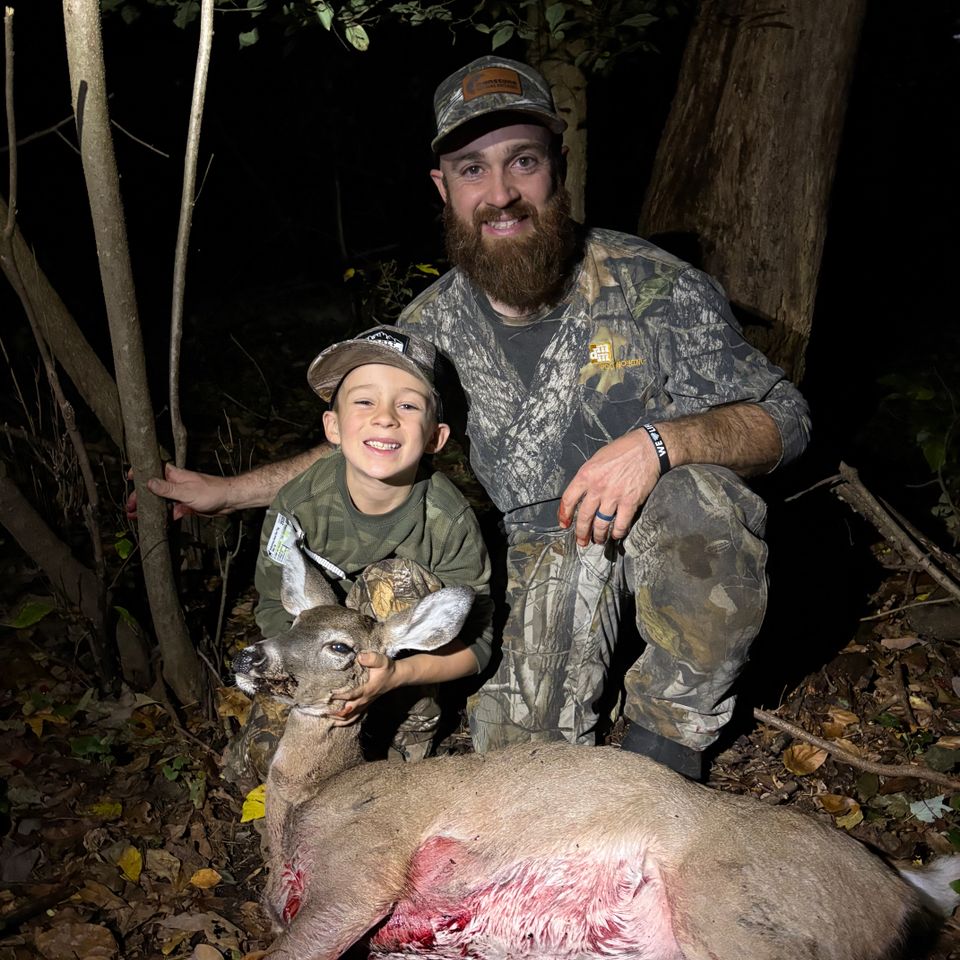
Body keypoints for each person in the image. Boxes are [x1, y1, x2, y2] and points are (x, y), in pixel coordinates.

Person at [141, 56, 811, 781]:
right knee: (518, 768)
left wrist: (660, 444)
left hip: (651, 523)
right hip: (534, 557)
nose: (500, 194)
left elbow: (786, 415)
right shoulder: (431, 327)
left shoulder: (658, 287)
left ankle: (666, 752)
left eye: (522, 161)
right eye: (471, 169)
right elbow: (371, 447)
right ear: (443, 186)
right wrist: (226, 492)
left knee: (700, 498)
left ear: (557, 165)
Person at [254, 324, 493, 761]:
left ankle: (403, 741)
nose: (385, 417)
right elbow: (273, 604)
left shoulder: (447, 518)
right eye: (364, 401)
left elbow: (477, 645)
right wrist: (315, 684)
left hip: (397, 667)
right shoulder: (298, 505)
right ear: (333, 426)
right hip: (315, 660)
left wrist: (394, 675)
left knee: (395, 579)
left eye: (407, 404)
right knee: (261, 759)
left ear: (436, 437)